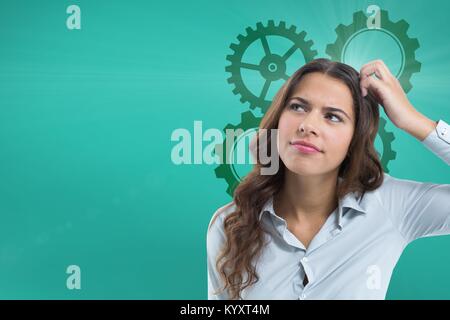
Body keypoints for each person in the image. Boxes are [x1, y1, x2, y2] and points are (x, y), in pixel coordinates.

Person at [206, 58, 450, 300]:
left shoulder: (389, 204)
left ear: (355, 138)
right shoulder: (231, 224)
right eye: (298, 107)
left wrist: (414, 121)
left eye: (333, 116)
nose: (308, 125)